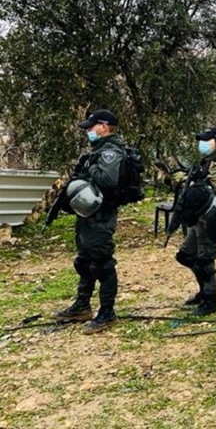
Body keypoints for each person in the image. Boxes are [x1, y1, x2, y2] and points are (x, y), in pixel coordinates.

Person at [54, 109, 126, 334]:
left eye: (91, 127)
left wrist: (89, 167)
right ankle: (82, 306)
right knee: (84, 260)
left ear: (104, 127)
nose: (88, 131)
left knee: (103, 263)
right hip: (88, 214)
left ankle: (107, 313)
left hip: (101, 215)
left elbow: (107, 179)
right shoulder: (98, 150)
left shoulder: (110, 152)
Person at [174, 128, 216, 316]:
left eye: (207, 140)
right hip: (197, 219)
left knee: (206, 261)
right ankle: (203, 291)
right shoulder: (207, 162)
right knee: (186, 255)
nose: (202, 143)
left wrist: (200, 184)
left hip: (211, 220)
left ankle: (210, 300)